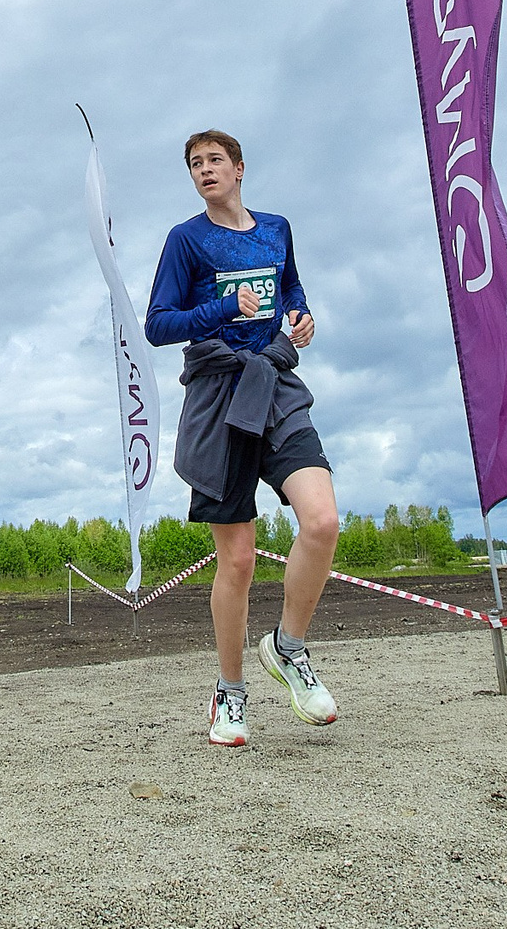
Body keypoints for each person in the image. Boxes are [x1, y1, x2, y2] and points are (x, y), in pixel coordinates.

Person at [145, 129, 339, 746]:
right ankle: (229, 696)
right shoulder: (186, 240)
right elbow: (158, 325)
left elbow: (292, 290)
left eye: (214, 162)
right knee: (238, 560)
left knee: (322, 522)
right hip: (219, 399)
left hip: (275, 386)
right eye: (195, 165)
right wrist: (222, 311)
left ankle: (288, 649)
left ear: (239, 169)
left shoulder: (276, 228)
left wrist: (302, 316)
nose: (205, 171)